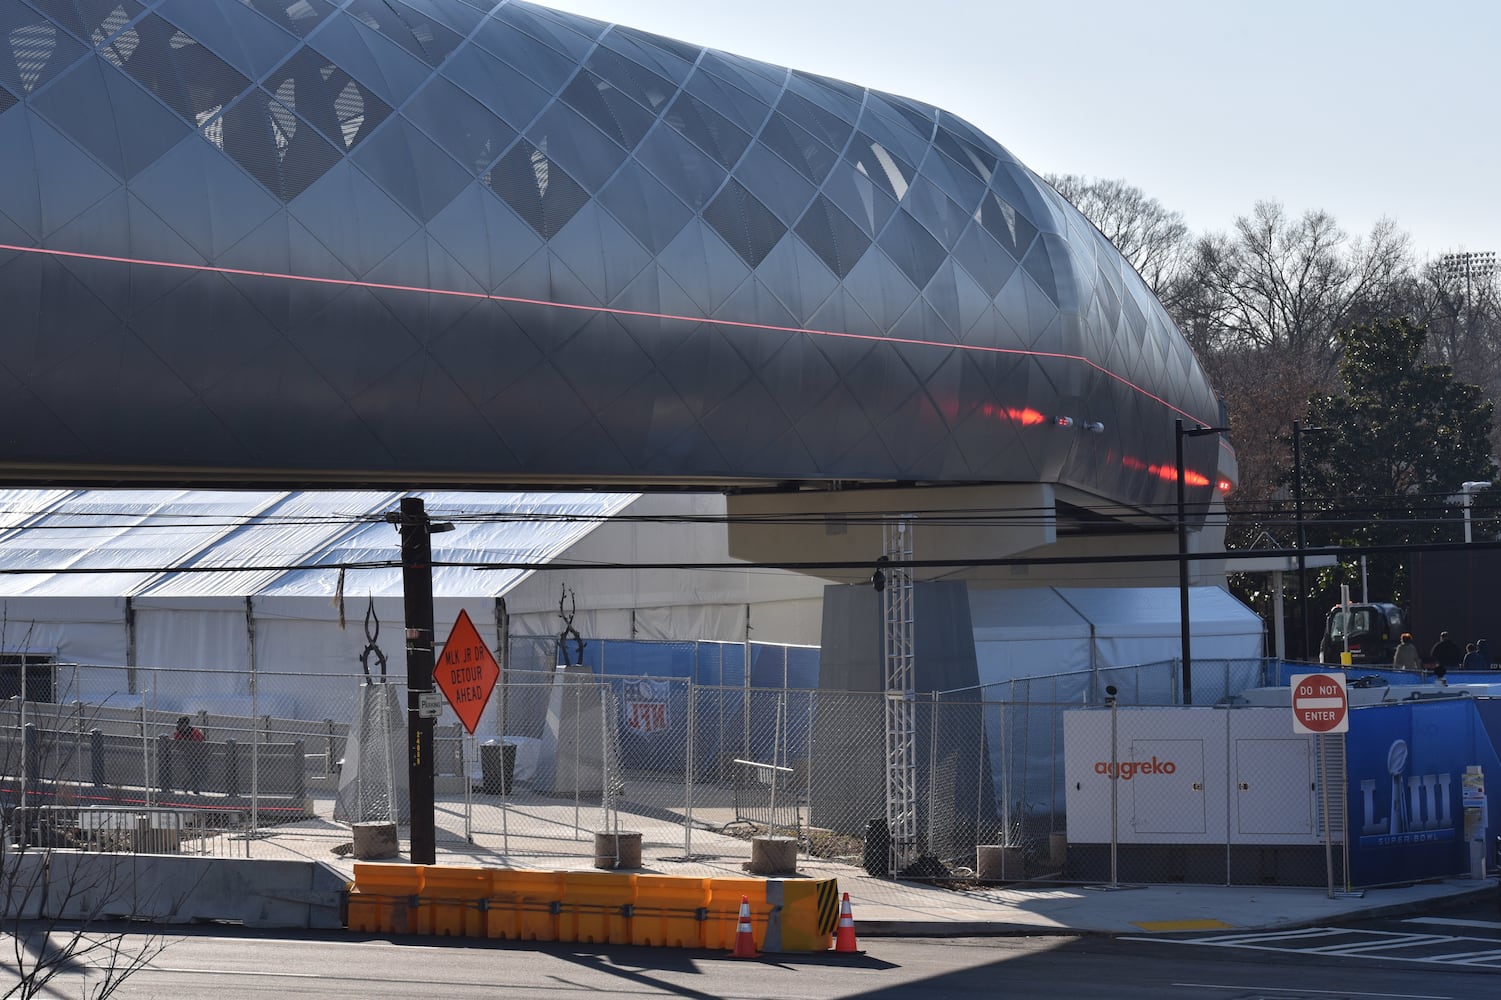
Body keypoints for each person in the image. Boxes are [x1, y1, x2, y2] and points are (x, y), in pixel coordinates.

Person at [173, 715, 206, 793]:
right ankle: (193, 787)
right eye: (179, 724)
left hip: (197, 755)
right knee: (194, 772)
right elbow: (177, 745)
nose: (179, 726)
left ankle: (187, 785)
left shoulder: (195, 732)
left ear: (186, 724)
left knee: (197, 772)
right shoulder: (178, 733)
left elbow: (202, 741)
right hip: (187, 755)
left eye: (181, 724)